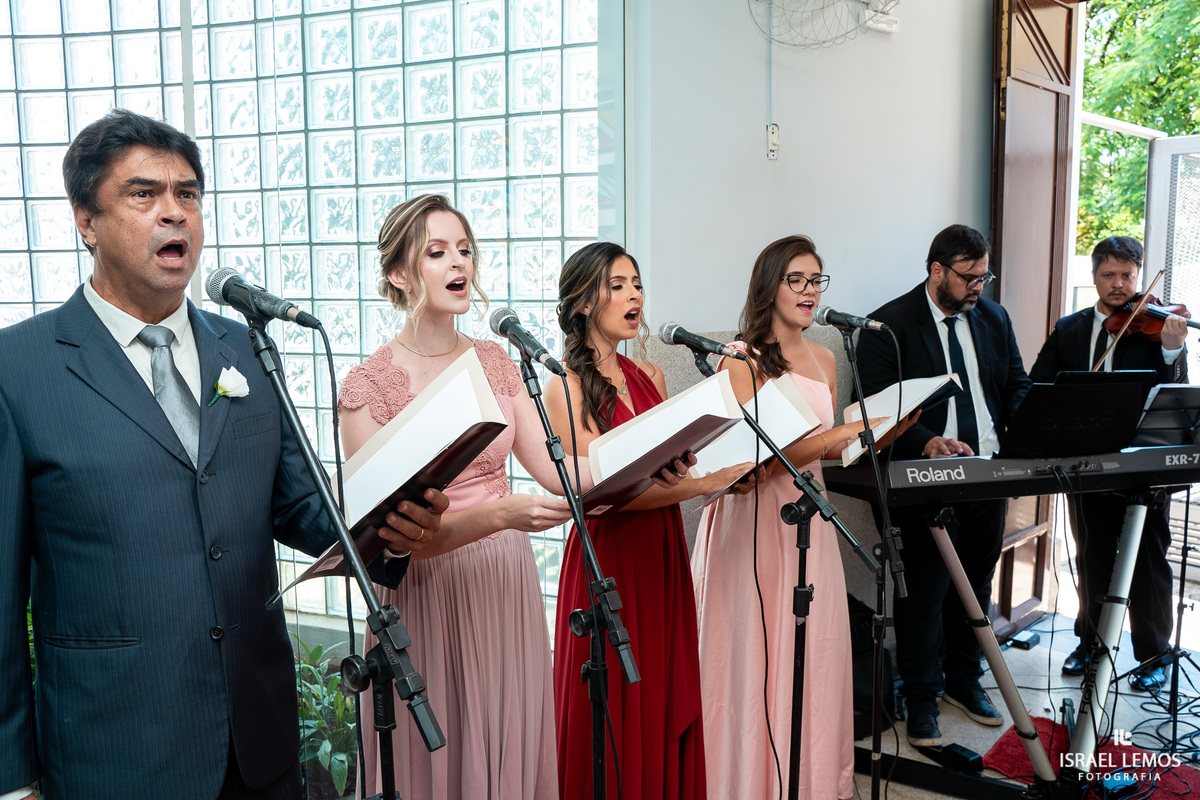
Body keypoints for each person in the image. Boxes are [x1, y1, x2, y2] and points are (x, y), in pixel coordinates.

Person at [0, 110, 447, 800]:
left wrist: (398, 516)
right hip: (114, 752)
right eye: (144, 195)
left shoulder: (245, 348)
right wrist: (11, 776)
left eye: (188, 194)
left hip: (258, 741)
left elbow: (301, 505)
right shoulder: (18, 368)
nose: (174, 213)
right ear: (86, 219)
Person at [338, 193, 573, 799]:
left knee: (505, 733)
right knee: (437, 747)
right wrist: (502, 513)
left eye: (464, 250)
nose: (457, 264)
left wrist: (649, 461)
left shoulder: (495, 360)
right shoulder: (368, 386)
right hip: (425, 591)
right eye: (437, 252)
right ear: (398, 273)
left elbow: (557, 471)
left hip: (503, 582)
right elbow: (386, 539)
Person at [691, 235, 914, 799]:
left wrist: (882, 431)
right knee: (755, 654)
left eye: (817, 280)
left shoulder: (823, 355)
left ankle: (809, 780)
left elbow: (829, 449)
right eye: (798, 279)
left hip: (811, 514)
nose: (810, 291)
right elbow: (756, 458)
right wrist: (840, 434)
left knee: (814, 652)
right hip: (757, 515)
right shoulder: (739, 357)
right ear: (769, 285)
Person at [546, 241, 752, 800]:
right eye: (618, 285)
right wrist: (707, 484)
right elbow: (600, 495)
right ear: (585, 302)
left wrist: (697, 462)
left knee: (659, 691)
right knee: (612, 696)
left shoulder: (652, 375)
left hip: (660, 550)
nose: (634, 294)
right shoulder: (562, 385)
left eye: (637, 282)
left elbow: (662, 471)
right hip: (607, 554)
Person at [857, 224, 1031, 747]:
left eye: (985, 275)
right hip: (924, 479)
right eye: (969, 276)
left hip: (986, 473)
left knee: (976, 584)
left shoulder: (993, 317)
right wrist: (929, 441)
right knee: (925, 592)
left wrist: (1033, 428)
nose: (979, 286)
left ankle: (963, 682)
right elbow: (877, 406)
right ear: (937, 271)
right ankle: (922, 699)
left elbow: (1015, 383)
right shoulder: (887, 327)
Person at [1029, 235, 1188, 691]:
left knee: (1148, 560)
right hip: (1088, 462)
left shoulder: (1156, 324)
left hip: (1142, 463)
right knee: (1092, 555)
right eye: (1109, 275)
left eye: (1127, 276)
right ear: (1094, 275)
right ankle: (1091, 642)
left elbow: (1176, 390)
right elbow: (1040, 386)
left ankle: (1154, 654)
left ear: (1139, 276)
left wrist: (1174, 351)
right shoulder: (1070, 329)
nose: (1119, 285)